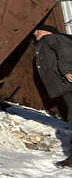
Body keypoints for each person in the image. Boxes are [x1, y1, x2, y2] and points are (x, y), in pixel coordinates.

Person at [33, 24, 72, 167]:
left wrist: (68, 69)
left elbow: (66, 51)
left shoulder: (51, 38)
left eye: (36, 30)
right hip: (66, 87)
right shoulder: (47, 42)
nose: (34, 33)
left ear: (44, 31)